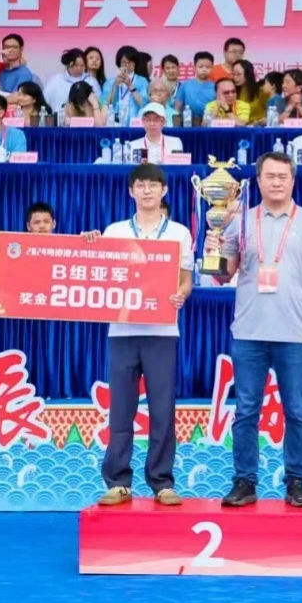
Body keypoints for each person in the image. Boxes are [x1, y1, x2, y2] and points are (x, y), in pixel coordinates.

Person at [203, 152, 302, 507]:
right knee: (246, 411)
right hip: (249, 332)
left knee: (296, 411)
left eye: (282, 176)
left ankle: (297, 482)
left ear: (293, 180)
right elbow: (224, 275)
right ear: (258, 181)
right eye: (270, 176)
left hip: (294, 332)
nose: (276, 182)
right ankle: (244, 482)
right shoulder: (239, 221)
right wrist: (214, 251)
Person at [83, 164, 193, 507]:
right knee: (121, 409)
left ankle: (162, 482)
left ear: (164, 191)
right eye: (141, 185)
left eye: (153, 185)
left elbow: (186, 278)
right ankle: (118, 482)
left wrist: (182, 294)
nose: (147, 191)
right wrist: (91, 246)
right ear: (131, 191)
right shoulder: (114, 231)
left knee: (162, 409)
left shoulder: (179, 232)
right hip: (122, 330)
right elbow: (97, 271)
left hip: (163, 331)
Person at [102, 45, 149, 125]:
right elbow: (105, 104)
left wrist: (131, 86)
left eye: (130, 61)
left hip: (135, 123)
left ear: (135, 63)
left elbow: (144, 104)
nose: (127, 64)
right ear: (119, 62)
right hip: (114, 123)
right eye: (124, 62)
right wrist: (115, 86)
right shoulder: (109, 83)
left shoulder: (142, 81)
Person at [44, 48, 100, 114]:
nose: (79, 68)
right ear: (68, 64)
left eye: (82, 65)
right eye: (76, 65)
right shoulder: (55, 80)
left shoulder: (91, 81)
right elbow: (45, 101)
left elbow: (99, 103)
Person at [174, 52, 217, 124]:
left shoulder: (216, 87)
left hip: (208, 123)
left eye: (208, 67)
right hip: (188, 123)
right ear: (194, 68)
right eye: (201, 66)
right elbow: (177, 107)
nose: (204, 70)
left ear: (212, 68)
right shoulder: (186, 85)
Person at [232, 59, 265, 124]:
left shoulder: (260, 91)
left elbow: (271, 111)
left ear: (248, 74)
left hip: (258, 127)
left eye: (239, 74)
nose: (235, 77)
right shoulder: (231, 92)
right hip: (239, 126)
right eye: (233, 74)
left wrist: (259, 122)